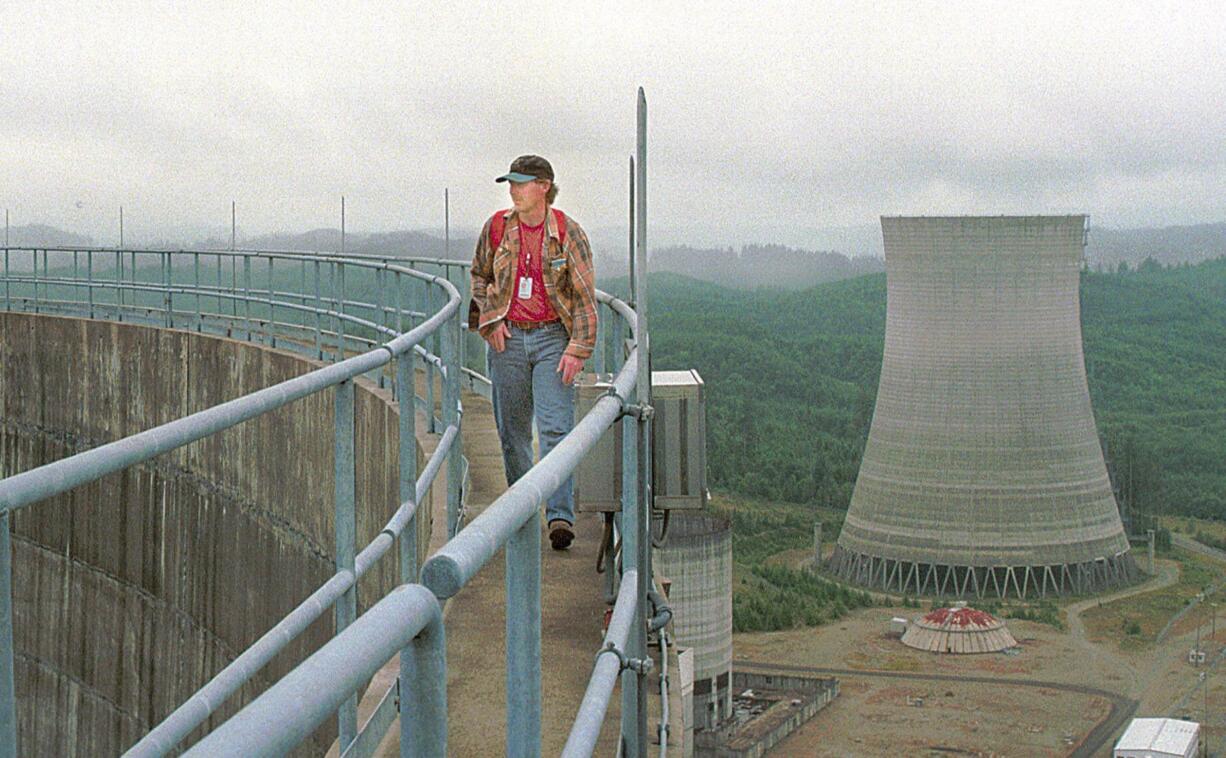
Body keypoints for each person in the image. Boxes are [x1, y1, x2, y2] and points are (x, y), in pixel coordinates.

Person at [470, 155, 598, 550]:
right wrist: (490, 321)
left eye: (521, 183)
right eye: (511, 183)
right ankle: (523, 506)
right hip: (508, 339)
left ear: (544, 186)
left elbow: (584, 297)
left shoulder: (567, 233)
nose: (513, 190)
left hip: (551, 338)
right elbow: (479, 276)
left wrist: (578, 349)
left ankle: (559, 516)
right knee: (513, 431)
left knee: (556, 427)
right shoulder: (496, 229)